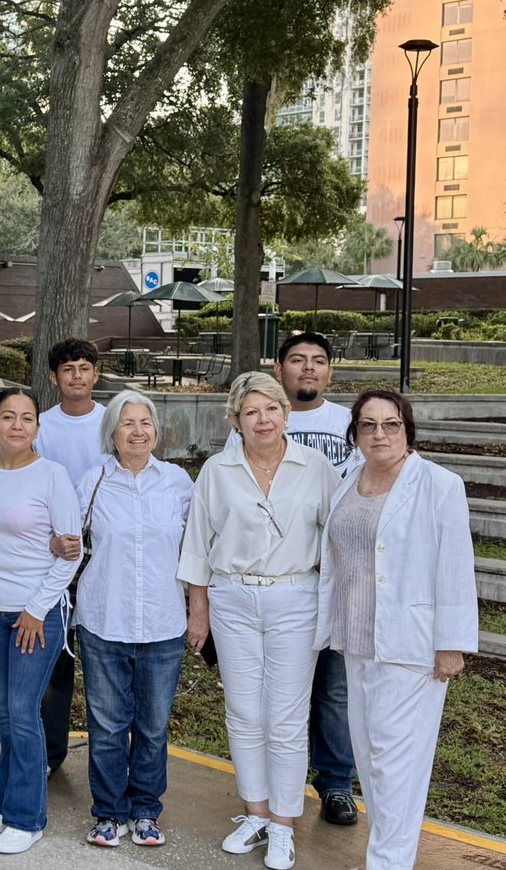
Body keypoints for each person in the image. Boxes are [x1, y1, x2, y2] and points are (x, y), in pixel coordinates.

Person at [177, 371, 338, 870]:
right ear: (235, 420)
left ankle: (284, 824)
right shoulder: (217, 471)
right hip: (232, 597)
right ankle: (256, 813)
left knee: (286, 716)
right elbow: (198, 543)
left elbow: (334, 541)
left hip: (295, 597)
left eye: (271, 408)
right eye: (251, 412)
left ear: (286, 414)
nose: (262, 419)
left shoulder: (316, 467)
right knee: (244, 711)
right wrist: (199, 609)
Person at [316, 390, 477, 870]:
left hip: (411, 646)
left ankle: (388, 863)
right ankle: (386, 857)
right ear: (355, 434)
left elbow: (455, 565)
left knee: (396, 768)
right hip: (356, 641)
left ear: (408, 430)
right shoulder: (348, 479)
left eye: (391, 424)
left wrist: (451, 644)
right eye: (368, 425)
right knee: (369, 760)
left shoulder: (439, 484)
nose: (380, 434)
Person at [224, 332, 361, 824]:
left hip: (322, 580)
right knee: (264, 700)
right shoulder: (245, 431)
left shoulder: (346, 425)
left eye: (319, 360)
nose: (308, 368)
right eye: (298, 360)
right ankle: (266, 795)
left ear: (330, 371)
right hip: (260, 589)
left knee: (332, 690)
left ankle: (335, 782)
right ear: (278, 369)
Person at [0, 388, 80, 855]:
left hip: (36, 610)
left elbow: (71, 553)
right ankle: (7, 804)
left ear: (37, 427)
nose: (16, 425)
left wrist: (36, 609)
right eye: (7, 416)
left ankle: (28, 818)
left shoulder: (52, 476)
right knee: (6, 711)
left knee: (23, 710)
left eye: (26, 418)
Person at [75, 391, 193, 849]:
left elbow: (197, 549)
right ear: (112, 432)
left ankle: (145, 811)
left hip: (163, 623)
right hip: (104, 620)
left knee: (152, 727)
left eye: (146, 422)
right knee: (107, 727)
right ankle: (108, 813)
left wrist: (200, 611)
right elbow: (69, 539)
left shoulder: (178, 482)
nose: (138, 431)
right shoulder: (94, 481)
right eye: (127, 423)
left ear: (156, 431)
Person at [34, 337, 106, 773]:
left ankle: (108, 758)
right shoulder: (40, 425)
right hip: (55, 554)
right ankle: (49, 753)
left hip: (105, 556)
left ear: (96, 374)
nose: (77, 376)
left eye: (84, 368)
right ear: (53, 377)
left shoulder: (113, 421)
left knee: (102, 661)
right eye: (68, 369)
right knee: (55, 660)